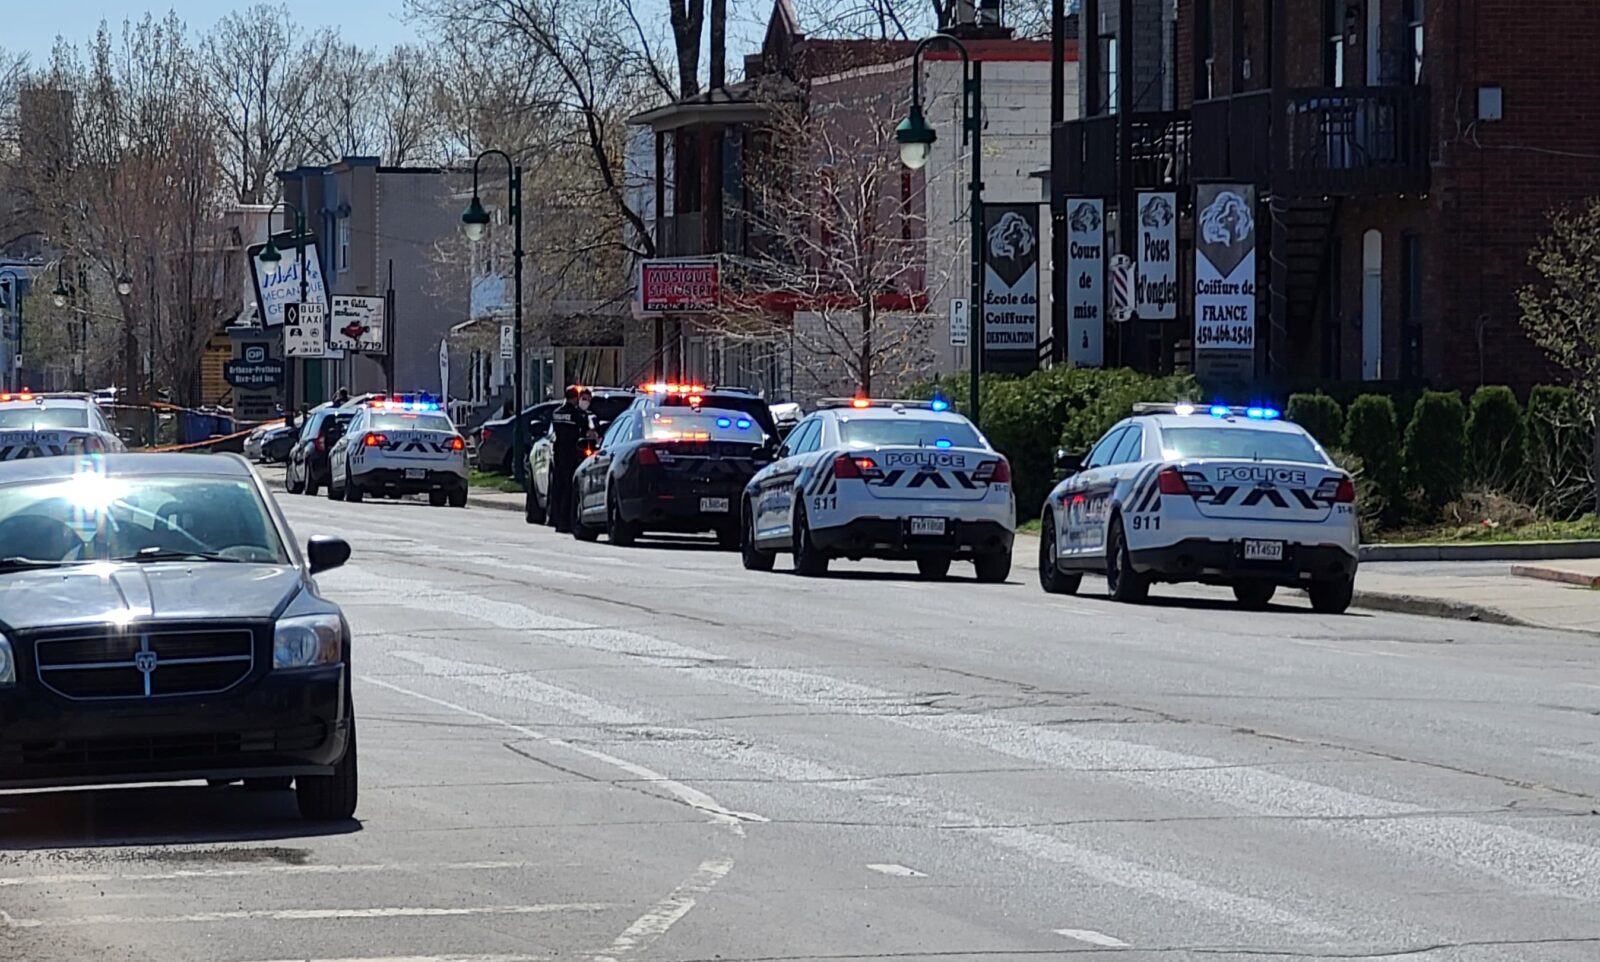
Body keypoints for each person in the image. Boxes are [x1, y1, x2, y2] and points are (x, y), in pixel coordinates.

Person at [547, 385, 589, 533]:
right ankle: (566, 521)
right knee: (569, 488)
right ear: (575, 398)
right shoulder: (577, 415)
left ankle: (555, 519)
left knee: (557, 487)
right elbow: (584, 431)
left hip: (558, 453)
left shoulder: (557, 413)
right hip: (572, 453)